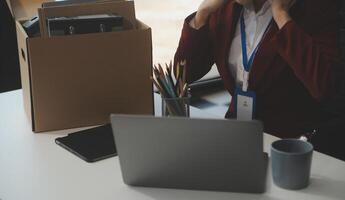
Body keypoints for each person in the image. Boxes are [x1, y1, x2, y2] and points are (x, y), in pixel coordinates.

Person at [174, 0, 340, 138]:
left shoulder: (316, 8)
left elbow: (326, 87)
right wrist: (201, 15)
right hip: (237, 133)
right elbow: (184, 74)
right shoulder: (225, 8)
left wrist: (282, 17)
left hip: (290, 143)